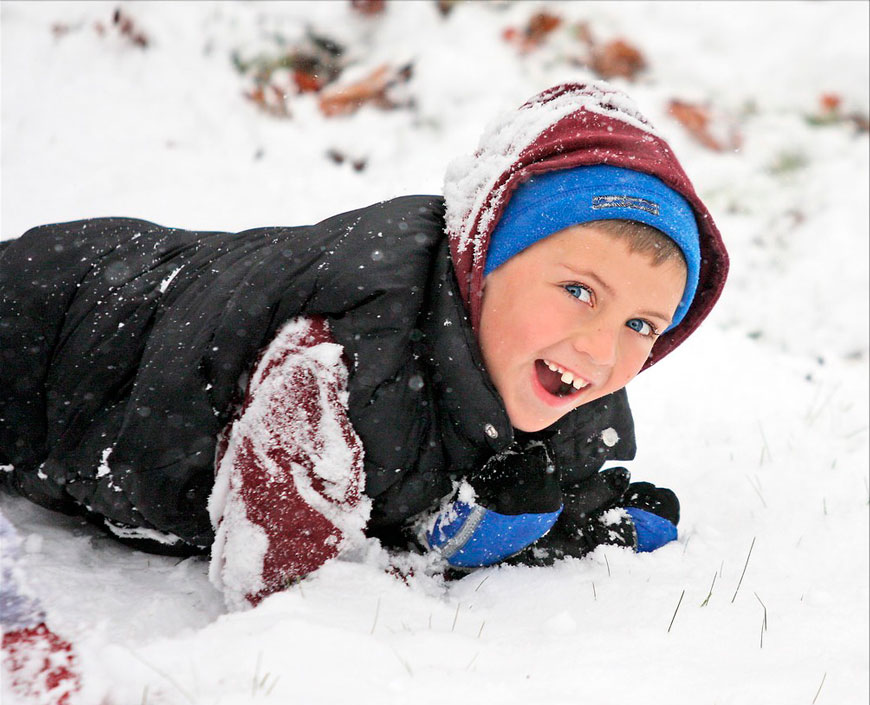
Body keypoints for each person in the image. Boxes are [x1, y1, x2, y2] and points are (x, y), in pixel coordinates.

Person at [0, 82, 728, 609]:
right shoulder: (341, 357)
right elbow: (278, 577)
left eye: (641, 325)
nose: (602, 347)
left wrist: (573, 530)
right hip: (58, 328)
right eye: (578, 290)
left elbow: (526, 489)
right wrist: (447, 550)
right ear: (484, 257)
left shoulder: (559, 367)